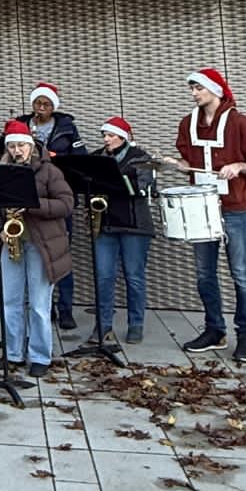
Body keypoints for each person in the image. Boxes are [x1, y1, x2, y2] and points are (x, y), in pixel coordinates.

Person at [170, 67, 246, 365]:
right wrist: (181, 165)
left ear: (215, 90)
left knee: (241, 275)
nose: (194, 93)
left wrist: (241, 166)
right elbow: (188, 158)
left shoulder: (240, 122)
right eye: (192, 88)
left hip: (235, 209)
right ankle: (214, 330)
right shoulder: (187, 123)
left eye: (198, 88)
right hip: (201, 207)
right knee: (204, 274)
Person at [0, 119, 74, 375]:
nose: (17, 151)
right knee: (10, 301)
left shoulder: (49, 171)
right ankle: (13, 353)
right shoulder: (2, 171)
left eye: (21, 146)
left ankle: (40, 356)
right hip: (12, 241)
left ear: (31, 146)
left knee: (39, 304)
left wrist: (32, 204)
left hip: (41, 244)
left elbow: (66, 204)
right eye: (12, 146)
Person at [16, 83, 85, 332]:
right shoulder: (22, 124)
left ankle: (65, 309)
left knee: (59, 254)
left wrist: (57, 158)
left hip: (55, 195)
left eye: (46, 104)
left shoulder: (67, 127)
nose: (41, 108)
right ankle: (39, 309)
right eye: (37, 104)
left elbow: (81, 159)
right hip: (28, 199)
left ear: (53, 107)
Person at [87, 115, 155, 346]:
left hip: (134, 225)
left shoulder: (140, 158)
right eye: (104, 135)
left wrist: (119, 181)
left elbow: (145, 187)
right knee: (103, 276)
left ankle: (136, 324)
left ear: (123, 137)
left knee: (134, 277)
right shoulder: (97, 158)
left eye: (111, 135)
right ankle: (103, 325)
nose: (106, 139)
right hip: (106, 223)